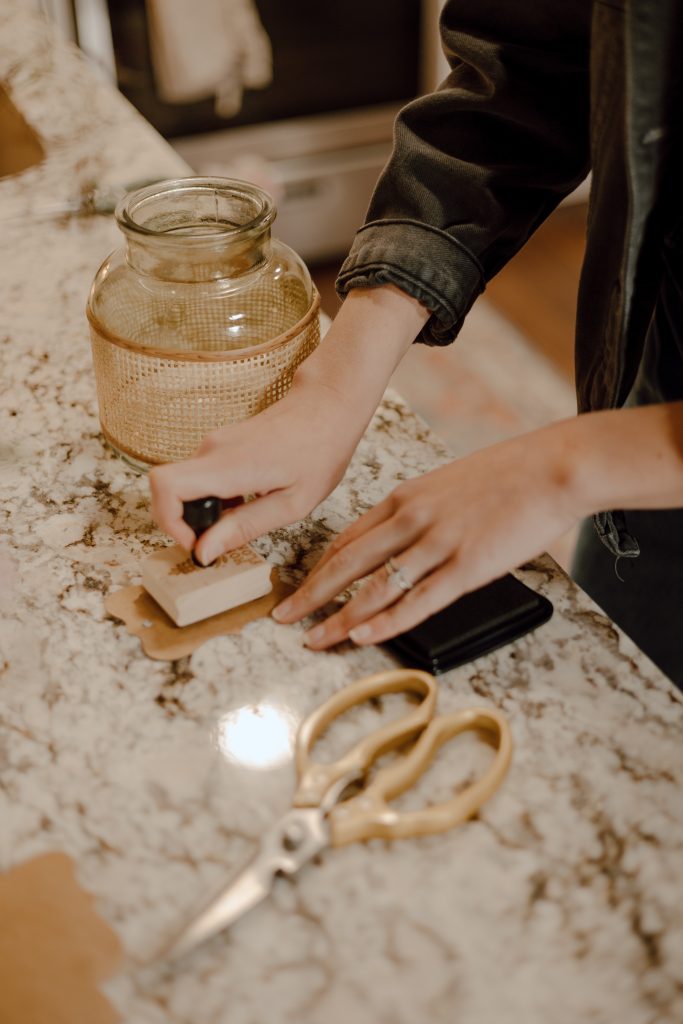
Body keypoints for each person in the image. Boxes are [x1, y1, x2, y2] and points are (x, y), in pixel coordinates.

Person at [149, 0, 683, 688]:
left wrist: (564, 466)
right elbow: (524, 71)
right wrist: (337, 383)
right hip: (642, 471)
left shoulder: (576, 468)